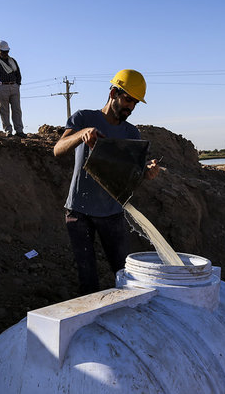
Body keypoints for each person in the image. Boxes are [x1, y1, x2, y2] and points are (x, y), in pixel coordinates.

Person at [53, 69, 160, 294]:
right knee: (88, 280)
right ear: (113, 92)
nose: (130, 107)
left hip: (112, 213)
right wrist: (82, 134)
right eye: (127, 99)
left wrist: (146, 173)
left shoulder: (132, 133)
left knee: (124, 276)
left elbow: (130, 176)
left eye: (135, 103)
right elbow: (58, 149)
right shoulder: (84, 118)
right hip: (78, 214)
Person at [0, 41, 25, 138]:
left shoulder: (12, 61)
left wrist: (17, 84)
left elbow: (18, 74)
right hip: (2, 88)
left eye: (7, 51)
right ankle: (8, 131)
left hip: (14, 86)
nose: (6, 54)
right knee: (4, 111)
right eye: (4, 52)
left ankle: (19, 130)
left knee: (17, 109)